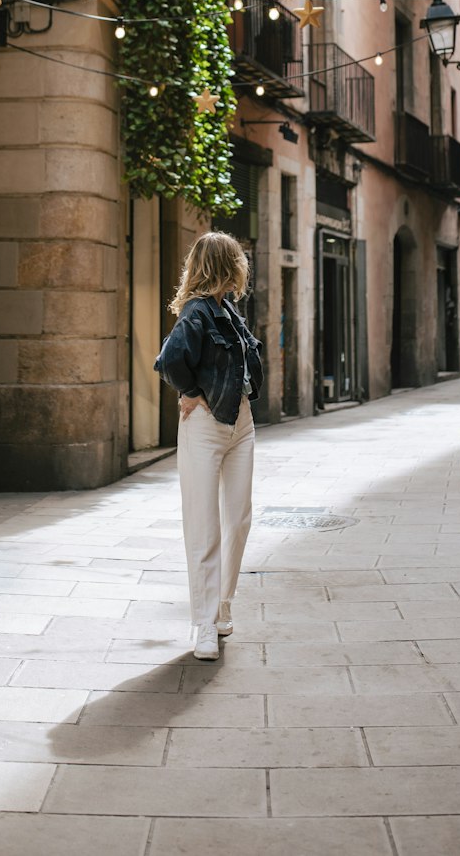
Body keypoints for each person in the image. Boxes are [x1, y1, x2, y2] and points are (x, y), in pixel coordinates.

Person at [154, 231, 263, 661]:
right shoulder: (197, 312)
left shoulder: (229, 311)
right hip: (204, 425)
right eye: (237, 259)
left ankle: (222, 607)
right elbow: (170, 360)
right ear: (224, 264)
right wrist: (190, 392)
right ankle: (202, 624)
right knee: (203, 526)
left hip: (241, 423)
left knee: (237, 520)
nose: (242, 266)